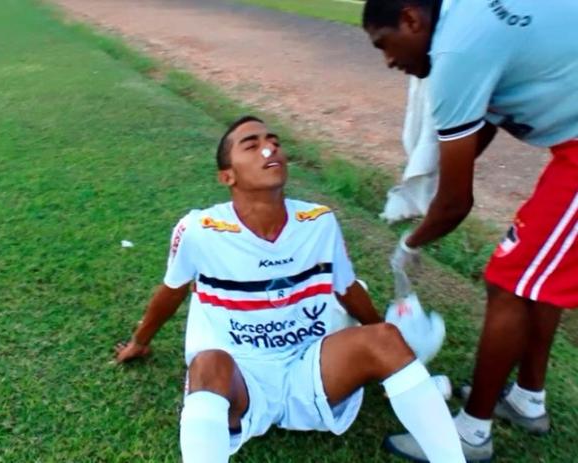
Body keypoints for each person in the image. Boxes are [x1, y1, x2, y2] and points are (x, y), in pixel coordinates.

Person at [114, 115, 465, 462]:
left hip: (309, 367)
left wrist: (388, 354)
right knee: (206, 365)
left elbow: (346, 289)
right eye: (252, 145)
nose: (269, 149)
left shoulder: (318, 221)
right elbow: (171, 291)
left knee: (385, 337)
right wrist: (140, 342)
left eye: (274, 142)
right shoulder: (199, 229)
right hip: (240, 375)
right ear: (227, 176)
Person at [362, 0, 578, 461]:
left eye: (385, 44)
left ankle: (469, 436)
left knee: (507, 283)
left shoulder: (455, 54)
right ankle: (527, 399)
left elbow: (458, 204)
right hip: (570, 148)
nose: (388, 61)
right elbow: (481, 130)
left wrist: (410, 243)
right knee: (533, 281)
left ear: (411, 20)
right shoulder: (468, 19)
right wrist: (427, 187)